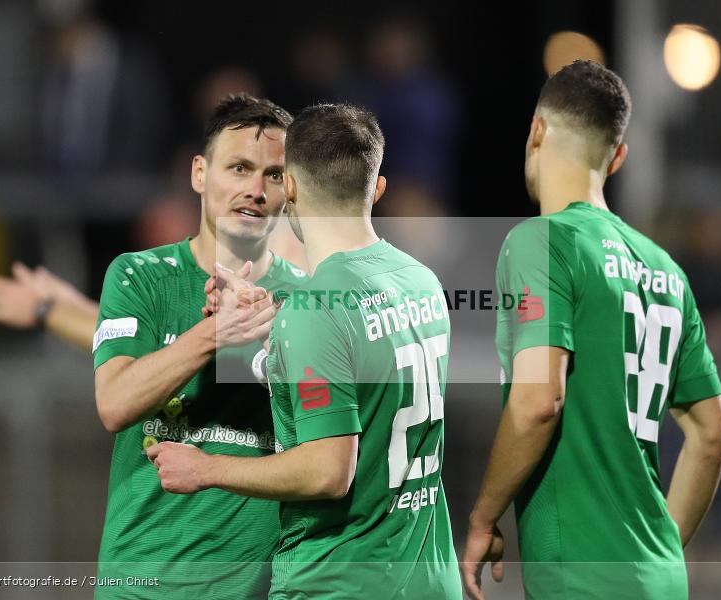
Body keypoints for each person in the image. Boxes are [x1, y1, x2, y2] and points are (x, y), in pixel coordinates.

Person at [147, 104, 463, 599]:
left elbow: (327, 470)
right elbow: (359, 364)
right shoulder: (421, 281)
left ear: (289, 187)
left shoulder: (315, 308)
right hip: (425, 577)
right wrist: (270, 323)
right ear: (378, 189)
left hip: (341, 581)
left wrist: (205, 468)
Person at [461, 61, 721, 600]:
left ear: (537, 131)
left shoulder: (542, 242)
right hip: (660, 579)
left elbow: (539, 402)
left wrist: (483, 517)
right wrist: (657, 553)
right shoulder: (665, 269)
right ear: (618, 157)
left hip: (582, 580)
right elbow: (712, 436)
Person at [92, 94, 305, 599]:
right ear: (199, 174)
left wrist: (274, 333)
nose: (255, 190)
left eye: (274, 175)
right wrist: (215, 334)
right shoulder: (138, 276)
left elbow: (329, 451)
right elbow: (114, 403)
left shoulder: (308, 298)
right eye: (239, 168)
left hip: (255, 589)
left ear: (291, 192)